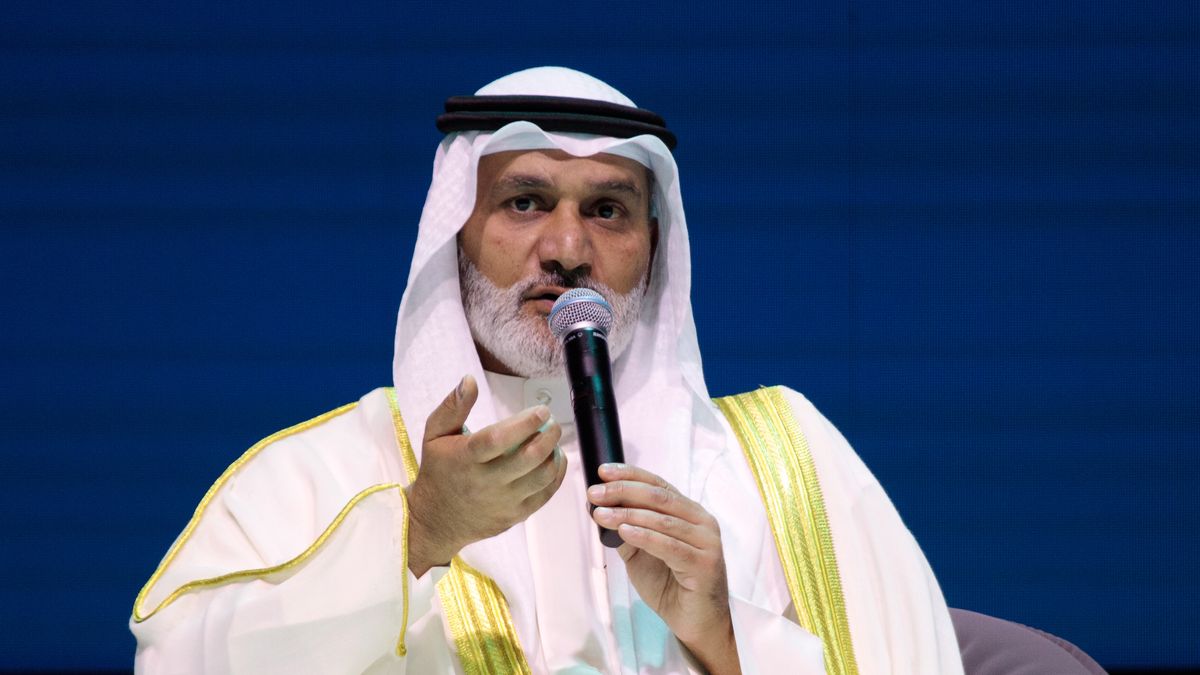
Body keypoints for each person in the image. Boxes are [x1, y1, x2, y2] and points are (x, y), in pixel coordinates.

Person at [130, 67, 963, 674]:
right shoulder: (326, 473)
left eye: (607, 210)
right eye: (526, 202)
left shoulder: (789, 460)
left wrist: (727, 640)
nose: (568, 251)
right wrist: (417, 535)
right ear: (457, 234)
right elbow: (178, 661)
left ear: (654, 252)